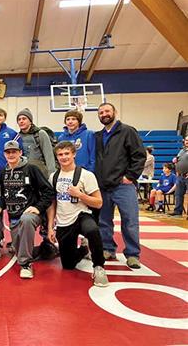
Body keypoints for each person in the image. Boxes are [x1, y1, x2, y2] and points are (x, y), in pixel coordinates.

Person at [47, 141, 109, 287]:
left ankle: (99, 267)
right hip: (63, 221)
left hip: (81, 214)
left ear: (74, 154)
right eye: (60, 154)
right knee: (68, 265)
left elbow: (98, 202)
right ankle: (83, 249)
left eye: (67, 153)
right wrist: (50, 226)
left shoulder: (86, 175)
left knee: (92, 230)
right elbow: (52, 203)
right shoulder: (53, 177)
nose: (63, 157)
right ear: (56, 157)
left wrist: (80, 195)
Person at [95, 102, 146, 269]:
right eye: (101, 112)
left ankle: (132, 254)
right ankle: (108, 248)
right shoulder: (98, 136)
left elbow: (139, 156)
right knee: (104, 221)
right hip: (103, 186)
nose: (104, 114)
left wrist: (130, 176)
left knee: (130, 220)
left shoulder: (127, 131)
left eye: (107, 111)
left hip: (123, 186)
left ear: (114, 112)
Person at [0, 140, 54, 279]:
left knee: (26, 220)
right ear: (4, 154)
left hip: (31, 215)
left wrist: (38, 207)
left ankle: (26, 265)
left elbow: (49, 191)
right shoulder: (3, 172)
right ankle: (40, 251)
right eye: (8, 152)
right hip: (13, 216)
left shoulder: (31, 169)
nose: (11, 154)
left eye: (14, 151)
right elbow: (2, 195)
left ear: (20, 152)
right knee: (18, 249)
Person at [16, 108, 56, 177]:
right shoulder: (17, 137)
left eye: (24, 119)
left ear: (30, 121)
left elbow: (49, 156)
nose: (21, 121)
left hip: (40, 173)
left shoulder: (40, 134)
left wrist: (51, 175)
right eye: (19, 119)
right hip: (24, 174)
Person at [169, 136, 188, 217]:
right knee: (178, 194)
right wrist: (176, 162)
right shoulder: (182, 151)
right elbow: (177, 161)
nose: (187, 141)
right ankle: (177, 211)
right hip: (180, 176)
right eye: (186, 140)